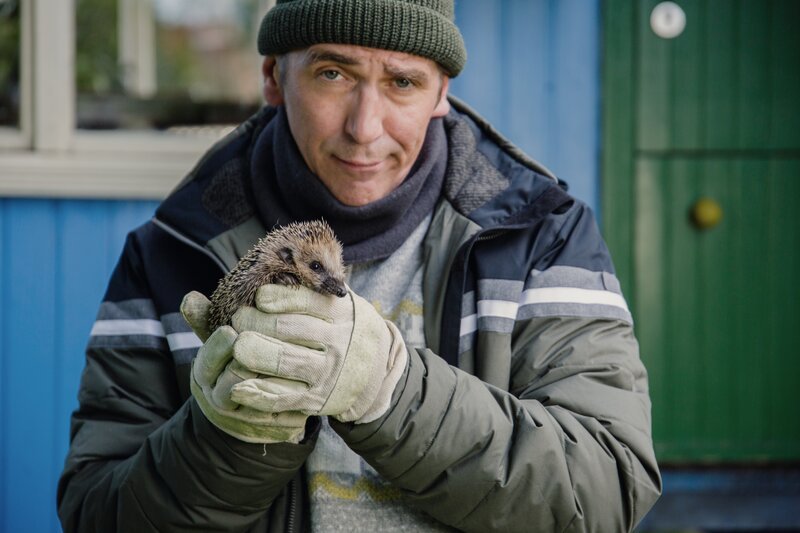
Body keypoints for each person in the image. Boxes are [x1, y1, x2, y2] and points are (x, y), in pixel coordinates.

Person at [57, 1, 661, 531]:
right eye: (332, 73)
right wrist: (226, 440)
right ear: (274, 76)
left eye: (402, 81)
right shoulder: (171, 249)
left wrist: (394, 395)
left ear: (442, 92)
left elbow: (606, 489)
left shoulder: (542, 235)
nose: (364, 129)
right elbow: (96, 511)